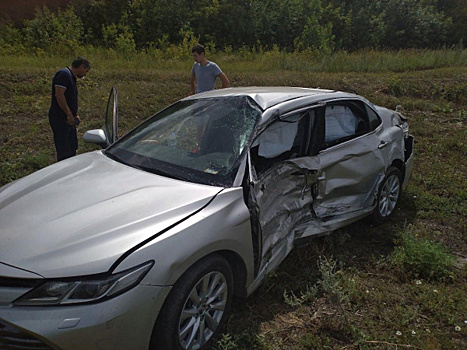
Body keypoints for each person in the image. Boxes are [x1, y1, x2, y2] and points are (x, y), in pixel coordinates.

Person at [48, 57, 91, 161]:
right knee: (64, 149)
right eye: (86, 71)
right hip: (60, 118)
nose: (85, 74)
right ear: (81, 66)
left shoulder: (71, 77)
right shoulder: (63, 75)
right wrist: (68, 114)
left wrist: (74, 114)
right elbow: (59, 95)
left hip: (69, 119)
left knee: (72, 146)